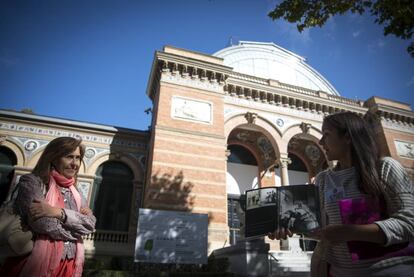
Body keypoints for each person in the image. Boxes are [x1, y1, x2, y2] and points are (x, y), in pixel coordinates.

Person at [268, 112, 414, 276]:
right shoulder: (323, 179)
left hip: (391, 270)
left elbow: (409, 223)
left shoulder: (385, 168)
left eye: (326, 135)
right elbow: (322, 230)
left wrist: (350, 231)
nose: (321, 142)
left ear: (348, 137)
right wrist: (291, 227)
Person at [0, 137, 96, 277]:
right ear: (54, 157)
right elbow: (43, 224)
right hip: (32, 262)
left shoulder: (76, 191)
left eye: (78, 158)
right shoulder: (32, 182)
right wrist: (77, 226)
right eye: (69, 157)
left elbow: (91, 225)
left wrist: (59, 213)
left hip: (70, 265)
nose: (75, 163)